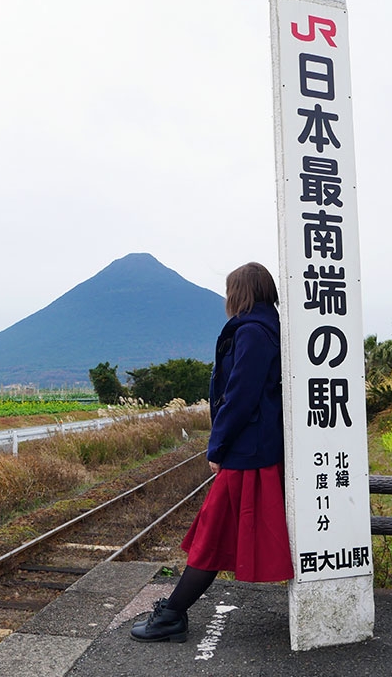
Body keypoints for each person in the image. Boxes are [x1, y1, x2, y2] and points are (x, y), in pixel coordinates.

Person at [130, 262, 293, 643]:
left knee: (211, 534)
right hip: (256, 449)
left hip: (246, 452)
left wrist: (217, 445)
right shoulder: (269, 328)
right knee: (213, 533)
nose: (226, 298)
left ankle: (172, 615)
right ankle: (172, 611)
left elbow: (239, 395)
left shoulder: (252, 331)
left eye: (229, 290)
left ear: (240, 292)